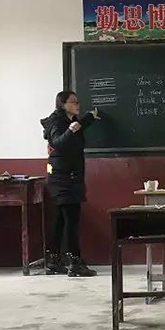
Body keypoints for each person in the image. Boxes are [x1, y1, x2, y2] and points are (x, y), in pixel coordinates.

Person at [40, 91, 100, 277]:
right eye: (73, 102)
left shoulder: (69, 121)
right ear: (62, 104)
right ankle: (74, 263)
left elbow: (78, 126)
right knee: (71, 220)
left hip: (68, 177)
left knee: (60, 219)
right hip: (63, 178)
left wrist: (90, 117)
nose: (77, 104)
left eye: (77, 101)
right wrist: (71, 130)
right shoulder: (56, 122)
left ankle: (53, 261)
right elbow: (58, 143)